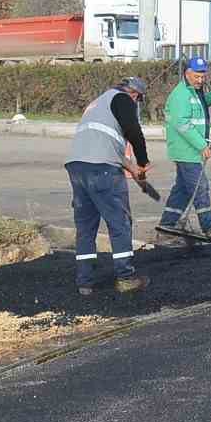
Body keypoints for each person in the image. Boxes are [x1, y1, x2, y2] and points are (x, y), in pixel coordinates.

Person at [65, 77, 151, 296]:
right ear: (135, 95)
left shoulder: (98, 104)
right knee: (119, 222)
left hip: (77, 167)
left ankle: (84, 282)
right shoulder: (123, 100)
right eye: (138, 100)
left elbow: (105, 143)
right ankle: (125, 278)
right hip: (102, 170)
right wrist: (142, 161)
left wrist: (131, 167)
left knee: (86, 227)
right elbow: (134, 131)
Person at [158, 56, 211, 242]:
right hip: (186, 150)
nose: (200, 80)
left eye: (202, 76)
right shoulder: (180, 95)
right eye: (197, 76)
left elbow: (200, 102)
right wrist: (202, 145)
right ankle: (209, 226)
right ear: (187, 74)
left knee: (183, 189)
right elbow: (183, 124)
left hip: (190, 150)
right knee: (200, 187)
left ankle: (167, 223)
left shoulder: (194, 92)